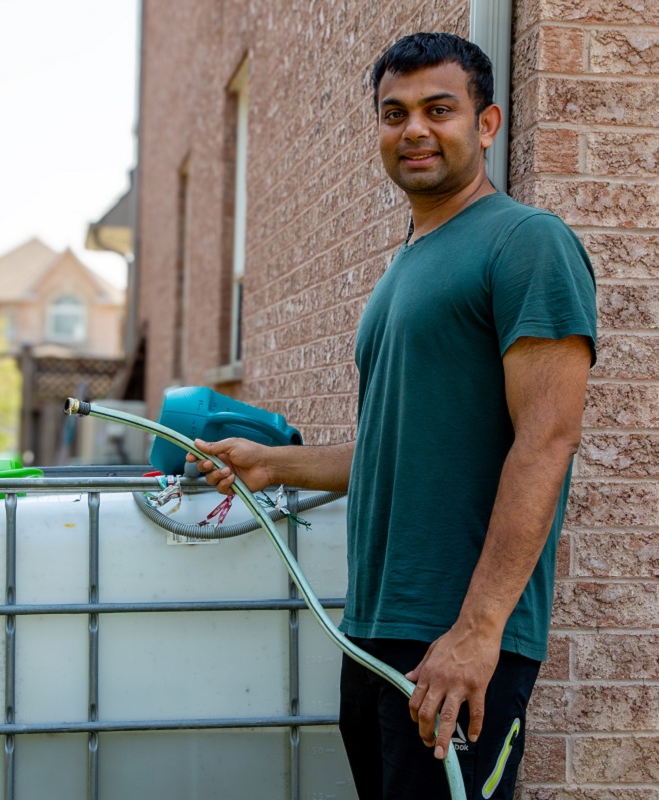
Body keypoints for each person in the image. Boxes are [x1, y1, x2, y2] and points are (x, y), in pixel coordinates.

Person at [187, 32, 596, 800]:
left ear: (487, 124)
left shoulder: (526, 244)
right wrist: (268, 464)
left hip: (457, 637)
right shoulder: (408, 263)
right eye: (393, 112)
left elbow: (547, 440)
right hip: (375, 626)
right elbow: (396, 447)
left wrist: (477, 634)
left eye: (439, 109)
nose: (413, 129)